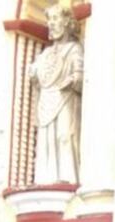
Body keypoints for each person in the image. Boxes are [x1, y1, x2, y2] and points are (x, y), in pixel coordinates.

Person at [29, 5, 82, 184]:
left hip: (65, 98)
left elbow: (80, 75)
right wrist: (33, 74)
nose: (51, 24)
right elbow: (38, 76)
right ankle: (46, 178)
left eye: (55, 19)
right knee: (46, 141)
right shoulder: (45, 53)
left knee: (64, 136)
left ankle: (68, 177)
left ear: (67, 22)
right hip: (46, 100)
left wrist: (73, 80)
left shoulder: (74, 49)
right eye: (49, 20)